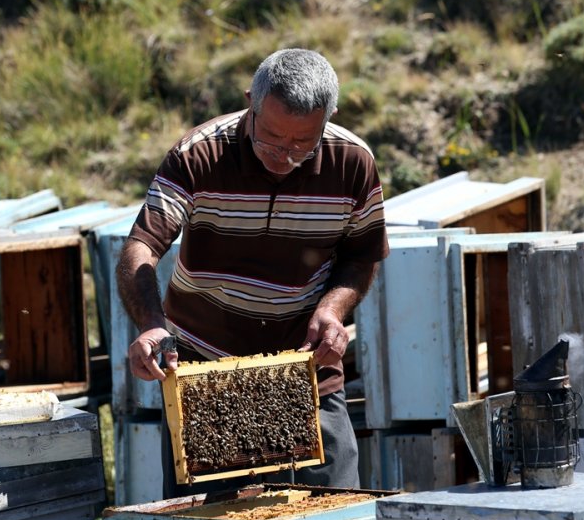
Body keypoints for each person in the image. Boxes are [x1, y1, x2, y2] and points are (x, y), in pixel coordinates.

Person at [116, 48, 389, 495]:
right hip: (205, 365)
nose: (283, 155)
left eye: (303, 143)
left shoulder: (353, 162)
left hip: (305, 365)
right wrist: (150, 326)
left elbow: (361, 256)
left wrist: (332, 309)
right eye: (271, 138)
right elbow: (141, 247)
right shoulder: (197, 154)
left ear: (329, 117)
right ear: (250, 102)